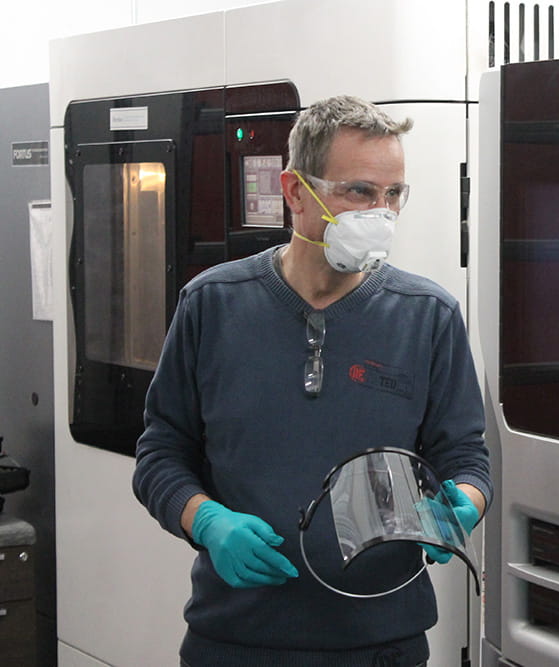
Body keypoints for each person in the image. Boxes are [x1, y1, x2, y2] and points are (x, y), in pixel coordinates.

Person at [133, 95, 491, 667]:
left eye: (393, 194)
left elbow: (466, 458)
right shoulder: (213, 305)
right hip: (235, 640)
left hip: (381, 645)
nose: (381, 212)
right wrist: (205, 519)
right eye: (359, 192)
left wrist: (463, 504)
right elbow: (160, 453)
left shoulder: (427, 316)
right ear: (296, 191)